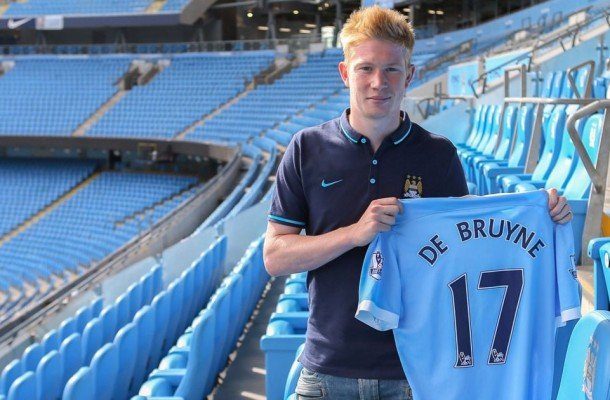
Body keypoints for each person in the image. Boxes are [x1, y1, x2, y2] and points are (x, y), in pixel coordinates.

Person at [263, 6, 573, 399]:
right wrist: (354, 234)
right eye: (365, 68)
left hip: (416, 375)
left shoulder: (437, 155)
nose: (379, 82)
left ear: (409, 75)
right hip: (327, 370)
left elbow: (473, 247)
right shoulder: (307, 149)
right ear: (345, 73)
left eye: (392, 69)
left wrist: (542, 213)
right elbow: (275, 257)